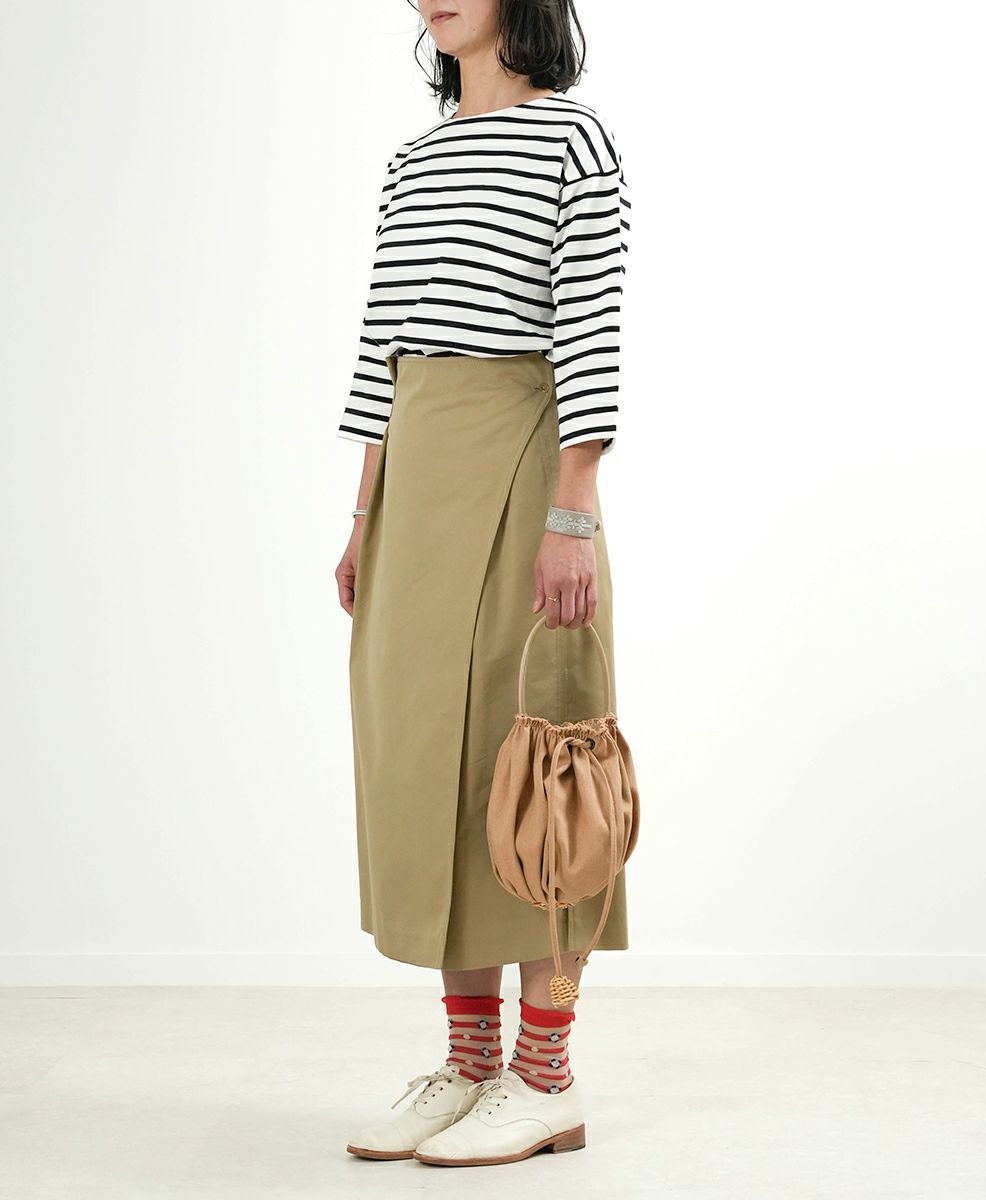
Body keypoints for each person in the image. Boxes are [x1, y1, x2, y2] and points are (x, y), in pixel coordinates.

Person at [335, 0, 631, 1168]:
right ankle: (468, 1065)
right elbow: (381, 351)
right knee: (430, 761)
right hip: (416, 468)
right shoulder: (412, 160)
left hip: (522, 456)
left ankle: (544, 1075)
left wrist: (570, 513)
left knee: (537, 756)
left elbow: (590, 331)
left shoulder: (572, 138)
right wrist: (364, 514)